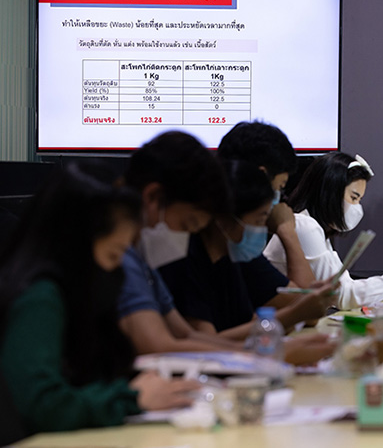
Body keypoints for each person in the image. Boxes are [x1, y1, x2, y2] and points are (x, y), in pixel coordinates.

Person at [0, 163, 198, 444]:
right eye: (114, 255)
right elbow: (42, 405)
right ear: (76, 244)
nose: (117, 272)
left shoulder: (71, 296)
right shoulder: (40, 299)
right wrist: (132, 399)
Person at [117, 131, 333, 365]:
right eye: (187, 225)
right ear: (153, 197)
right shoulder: (123, 256)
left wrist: (275, 350)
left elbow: (189, 336)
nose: (188, 237)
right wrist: (274, 353)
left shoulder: (143, 261)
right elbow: (159, 346)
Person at [159, 160, 333, 340]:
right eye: (258, 221)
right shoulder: (185, 261)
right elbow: (207, 344)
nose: (262, 230)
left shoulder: (230, 259)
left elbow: (249, 322)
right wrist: (294, 314)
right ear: (224, 219)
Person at [264, 152, 383, 310]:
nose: (357, 208)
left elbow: (343, 287)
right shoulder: (305, 227)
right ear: (330, 192)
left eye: (360, 200)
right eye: (353, 198)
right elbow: (342, 296)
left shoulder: (316, 230)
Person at [217, 121, 316, 289]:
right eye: (279, 187)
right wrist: (287, 231)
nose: (277, 201)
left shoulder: (242, 249)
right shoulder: (231, 244)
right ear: (260, 178)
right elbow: (304, 303)